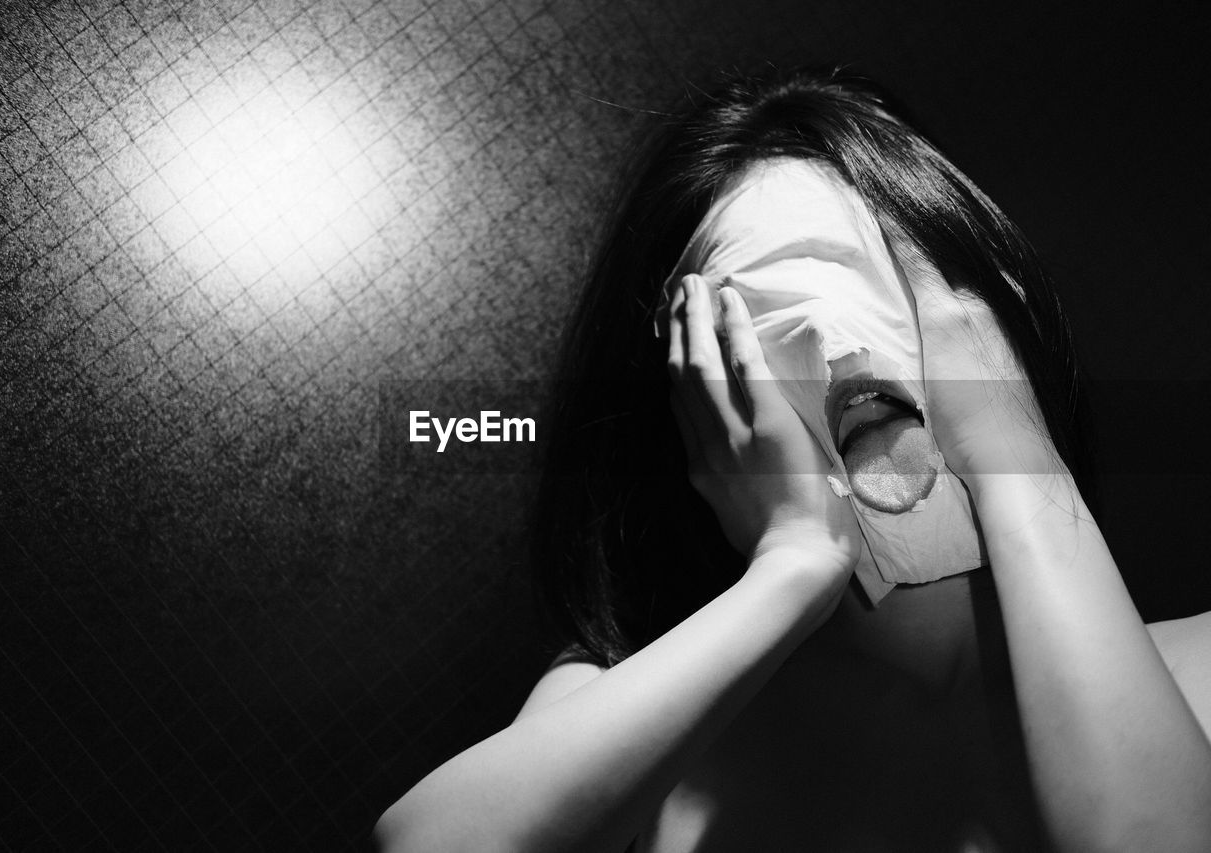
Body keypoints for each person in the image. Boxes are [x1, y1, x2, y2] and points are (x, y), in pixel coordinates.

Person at [371, 66, 1211, 852]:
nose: (836, 345)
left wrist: (1021, 464)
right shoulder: (647, 713)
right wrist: (796, 563)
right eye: (765, 319)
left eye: (873, 289)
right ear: (697, 409)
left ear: (990, 327)